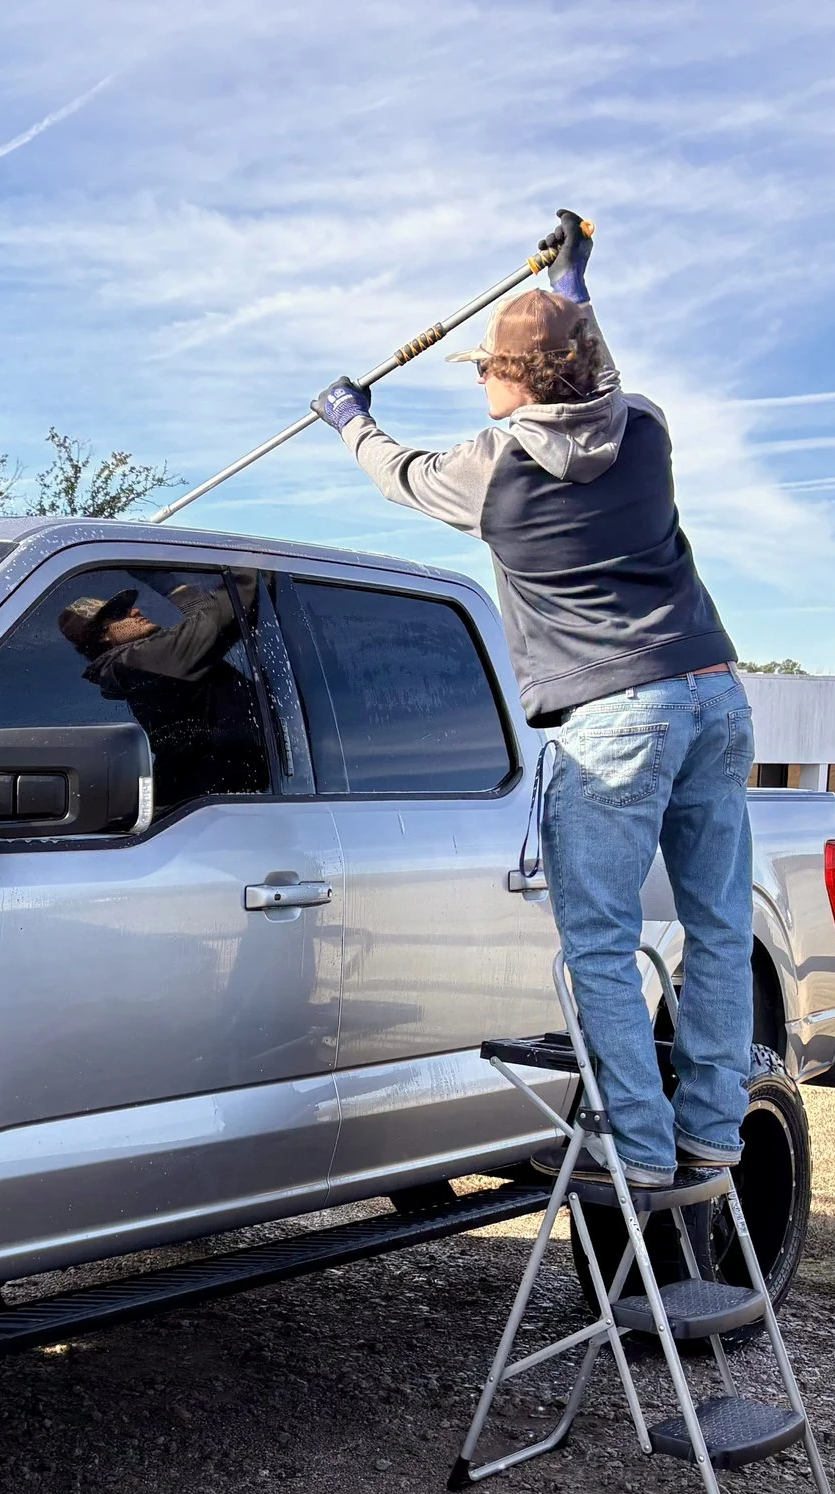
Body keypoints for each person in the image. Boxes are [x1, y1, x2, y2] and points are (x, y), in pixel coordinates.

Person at [309, 212, 751, 1192]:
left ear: (509, 379)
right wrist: (575, 284)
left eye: (483, 369)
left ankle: (637, 1148)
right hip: (713, 695)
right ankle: (712, 1132)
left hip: (615, 717)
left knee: (600, 937)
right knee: (717, 923)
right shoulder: (644, 428)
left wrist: (349, 418)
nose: (479, 380)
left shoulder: (492, 469)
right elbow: (592, 376)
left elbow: (397, 475)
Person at [59, 578, 270, 805]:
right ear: (101, 635)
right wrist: (256, 562)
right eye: (119, 612)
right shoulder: (137, 662)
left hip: (213, 798)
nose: (135, 610)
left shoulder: (139, 668)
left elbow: (213, 618)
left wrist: (168, 581)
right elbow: (232, 608)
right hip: (221, 801)